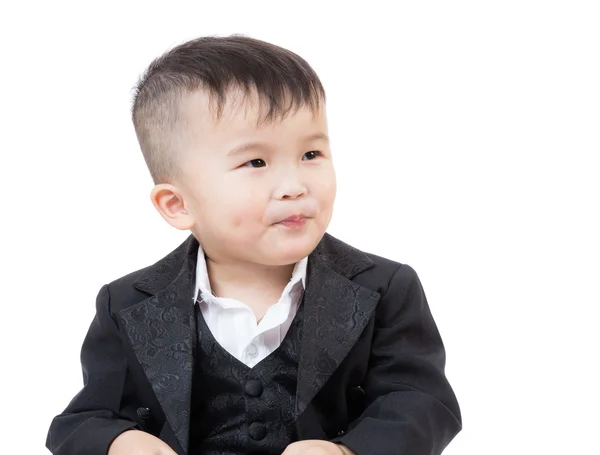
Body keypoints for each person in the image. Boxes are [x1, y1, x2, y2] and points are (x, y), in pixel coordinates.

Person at [46, 35, 461, 455]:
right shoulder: (125, 304)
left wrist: (345, 451)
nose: (295, 186)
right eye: (256, 163)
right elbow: (85, 420)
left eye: (312, 154)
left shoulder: (385, 288)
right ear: (177, 204)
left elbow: (422, 402)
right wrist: (121, 442)